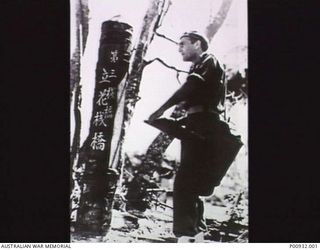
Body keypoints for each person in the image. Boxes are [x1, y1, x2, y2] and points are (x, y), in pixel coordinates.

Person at [148, 31, 226, 242]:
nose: (179, 48)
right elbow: (192, 100)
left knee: (185, 181)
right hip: (200, 123)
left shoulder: (209, 60)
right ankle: (196, 233)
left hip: (205, 124)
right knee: (190, 180)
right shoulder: (200, 66)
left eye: (183, 44)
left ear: (197, 44)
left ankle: (186, 235)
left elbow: (190, 88)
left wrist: (161, 109)